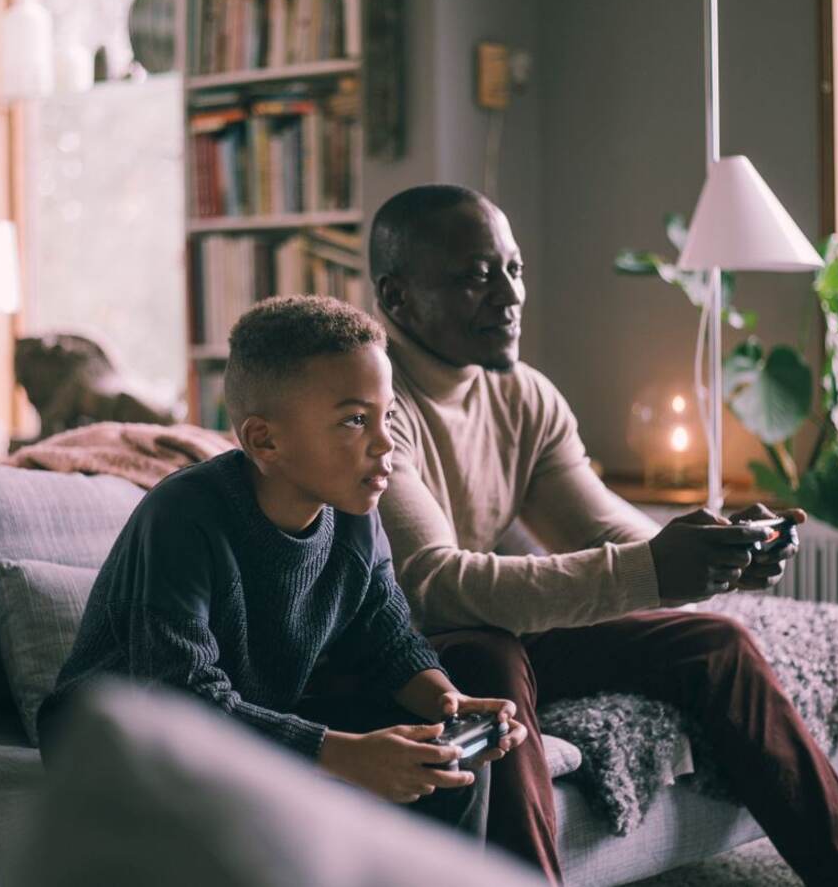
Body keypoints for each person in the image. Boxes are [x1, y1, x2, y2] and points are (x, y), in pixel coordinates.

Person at [370, 184, 838, 886]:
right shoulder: (370, 403)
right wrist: (652, 570)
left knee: (716, 642)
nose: (509, 295)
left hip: (493, 629)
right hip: (405, 649)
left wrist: (711, 551)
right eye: (474, 277)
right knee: (486, 659)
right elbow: (435, 588)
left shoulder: (521, 393)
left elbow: (598, 524)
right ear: (397, 299)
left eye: (514, 268)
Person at [38, 295, 528, 836]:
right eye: (355, 420)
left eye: (387, 415)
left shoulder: (355, 512)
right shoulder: (183, 516)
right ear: (264, 440)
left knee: (443, 760)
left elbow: (388, 641)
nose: (386, 442)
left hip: (240, 718)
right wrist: (344, 755)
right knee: (287, 799)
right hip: (116, 741)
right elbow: (179, 699)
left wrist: (447, 700)